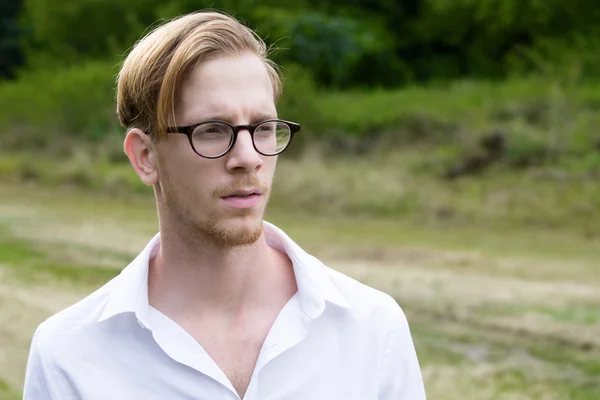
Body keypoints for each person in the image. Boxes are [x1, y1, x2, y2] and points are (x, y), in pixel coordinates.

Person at [23, 10, 426, 400]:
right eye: (213, 130)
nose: (248, 157)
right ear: (145, 157)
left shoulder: (370, 328)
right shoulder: (70, 355)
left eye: (264, 128)